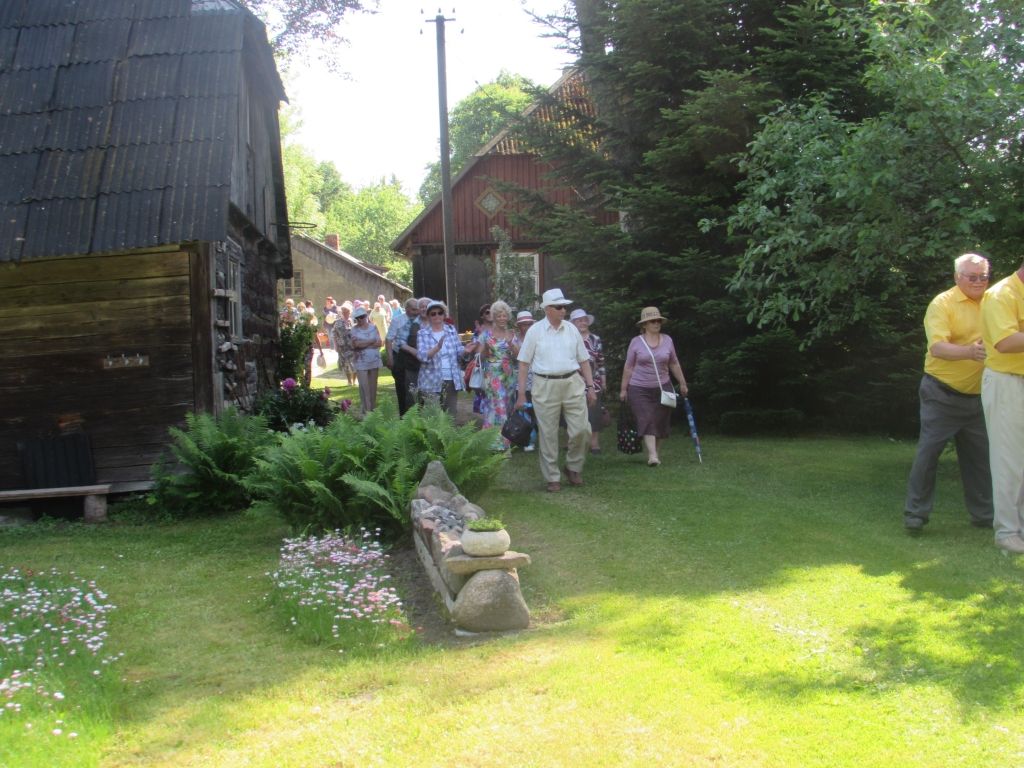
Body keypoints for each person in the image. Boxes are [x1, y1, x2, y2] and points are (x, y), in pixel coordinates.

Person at [904, 253, 993, 532]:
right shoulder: (942, 304)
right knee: (928, 454)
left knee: (980, 459)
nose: (979, 282)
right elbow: (937, 348)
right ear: (957, 277)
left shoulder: (995, 302)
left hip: (979, 397)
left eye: (984, 277)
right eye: (972, 277)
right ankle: (915, 515)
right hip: (941, 394)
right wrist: (970, 351)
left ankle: (984, 516)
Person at [515, 288, 597, 492]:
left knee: (582, 429)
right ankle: (552, 477)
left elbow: (584, 360)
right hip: (544, 384)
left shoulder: (571, 329)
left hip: (572, 382)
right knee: (548, 433)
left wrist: (591, 387)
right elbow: (524, 363)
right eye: (559, 307)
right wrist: (521, 393)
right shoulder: (535, 331)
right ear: (548, 309)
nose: (563, 311)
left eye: (565, 307)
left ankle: (573, 466)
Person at [980, 255, 1024, 554]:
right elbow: (1005, 342)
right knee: (1009, 460)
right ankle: (1007, 532)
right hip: (1007, 382)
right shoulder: (1001, 295)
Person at [619, 306, 689, 467]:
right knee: (647, 418)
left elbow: (674, 363)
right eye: (652, 321)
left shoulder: (668, 340)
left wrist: (683, 383)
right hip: (639, 388)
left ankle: (655, 453)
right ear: (644, 324)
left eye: (658, 320)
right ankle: (652, 455)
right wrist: (624, 389)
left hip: (663, 387)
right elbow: (629, 367)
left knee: (660, 422)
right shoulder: (636, 342)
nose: (656, 323)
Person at [465, 300, 519, 449]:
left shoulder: (511, 334)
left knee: (507, 407)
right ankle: (501, 445)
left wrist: (511, 344)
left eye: (504, 316)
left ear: (508, 317)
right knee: (497, 406)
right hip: (493, 375)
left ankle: (492, 439)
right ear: (494, 317)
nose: (502, 318)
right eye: (499, 316)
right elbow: (480, 357)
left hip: (509, 376)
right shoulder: (486, 334)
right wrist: (486, 349)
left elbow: (518, 357)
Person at [416, 300, 464, 414]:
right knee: (433, 415)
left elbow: (459, 350)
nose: (437, 315)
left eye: (440, 312)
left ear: (444, 314)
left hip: (451, 378)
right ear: (428, 316)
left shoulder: (451, 330)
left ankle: (449, 432)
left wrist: (466, 351)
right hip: (430, 380)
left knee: (450, 414)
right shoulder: (422, 333)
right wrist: (437, 347)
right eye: (433, 313)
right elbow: (422, 356)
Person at [570, 308, 606, 454]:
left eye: (584, 320)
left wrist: (604, 381)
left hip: (594, 380)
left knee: (594, 411)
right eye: (579, 320)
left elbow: (601, 361)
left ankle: (594, 442)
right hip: (573, 380)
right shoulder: (569, 338)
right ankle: (571, 441)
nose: (583, 323)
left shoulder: (595, 339)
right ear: (573, 323)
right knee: (571, 411)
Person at [385, 297, 421, 415]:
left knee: (416, 388)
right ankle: (404, 416)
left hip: (417, 357)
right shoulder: (397, 320)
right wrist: (390, 357)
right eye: (413, 309)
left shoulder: (421, 321)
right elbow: (389, 339)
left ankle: (417, 414)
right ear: (406, 309)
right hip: (400, 356)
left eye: (418, 309)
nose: (416, 312)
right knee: (402, 388)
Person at [350, 306, 382, 415]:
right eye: (357, 318)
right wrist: (371, 341)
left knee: (373, 386)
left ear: (366, 316)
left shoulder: (374, 327)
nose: (360, 320)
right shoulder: (354, 329)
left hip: (374, 360)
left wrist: (364, 343)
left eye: (362, 317)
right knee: (364, 387)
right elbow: (356, 345)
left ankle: (372, 410)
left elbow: (379, 343)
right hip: (361, 361)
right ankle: (366, 410)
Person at [515, 310, 538, 452]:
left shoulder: (538, 338)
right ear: (519, 326)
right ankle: (522, 437)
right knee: (523, 411)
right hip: (520, 381)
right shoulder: (514, 339)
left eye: (529, 324)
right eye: (524, 324)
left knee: (535, 411)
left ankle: (532, 439)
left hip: (537, 380)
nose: (527, 327)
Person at [333, 301, 356, 387]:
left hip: (352, 346)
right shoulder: (338, 322)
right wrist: (335, 345)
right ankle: (349, 381)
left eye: (347, 312)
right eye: (344, 312)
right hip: (342, 346)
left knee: (354, 363)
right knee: (346, 364)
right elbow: (334, 334)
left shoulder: (352, 321)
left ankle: (354, 381)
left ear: (350, 312)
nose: (345, 313)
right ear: (341, 312)